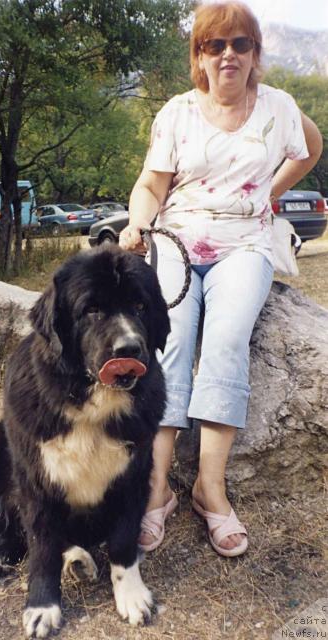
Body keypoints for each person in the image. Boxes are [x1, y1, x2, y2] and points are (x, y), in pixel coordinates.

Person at [119, 0, 322, 557]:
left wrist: (269, 191)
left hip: (247, 242)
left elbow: (311, 148)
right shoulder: (177, 113)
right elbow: (151, 186)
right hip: (178, 239)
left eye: (240, 44)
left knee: (227, 339)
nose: (228, 54)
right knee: (172, 341)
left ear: (255, 54)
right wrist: (139, 221)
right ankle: (156, 489)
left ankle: (211, 489)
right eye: (215, 45)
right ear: (200, 56)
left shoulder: (278, 106)